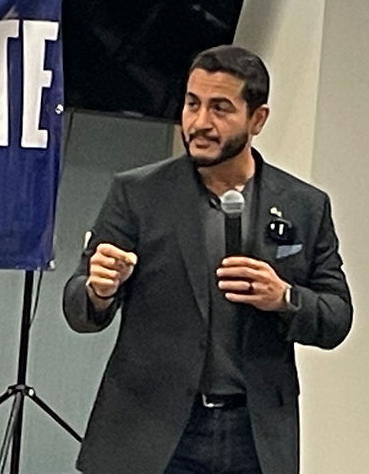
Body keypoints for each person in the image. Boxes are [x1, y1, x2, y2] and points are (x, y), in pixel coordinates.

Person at [62, 45, 352, 474]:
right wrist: (99, 290)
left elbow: (336, 317)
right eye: (192, 104)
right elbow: (79, 307)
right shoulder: (138, 194)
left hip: (254, 436)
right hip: (150, 430)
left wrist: (284, 297)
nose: (199, 123)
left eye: (220, 109)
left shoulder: (305, 206)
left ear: (258, 119)